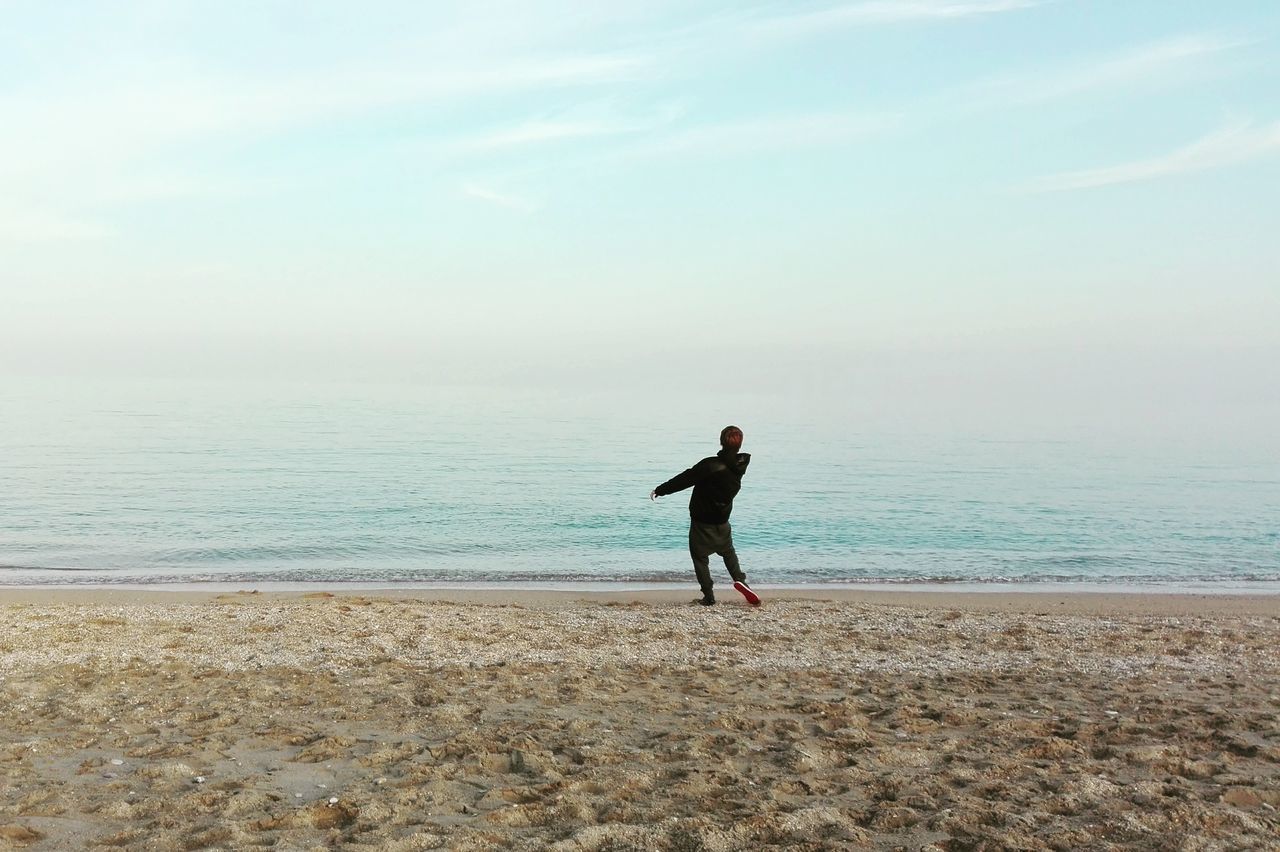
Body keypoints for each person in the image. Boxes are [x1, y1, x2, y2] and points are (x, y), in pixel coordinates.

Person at [651, 425, 761, 607]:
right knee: (728, 552)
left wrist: (661, 490)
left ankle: (709, 596)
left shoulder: (711, 465)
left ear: (721, 441)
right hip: (722, 519)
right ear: (740, 445)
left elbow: (685, 479)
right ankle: (740, 580)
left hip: (702, 521)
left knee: (700, 557)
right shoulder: (739, 466)